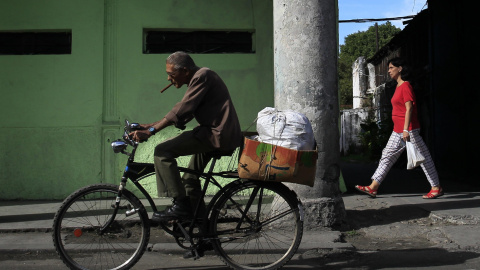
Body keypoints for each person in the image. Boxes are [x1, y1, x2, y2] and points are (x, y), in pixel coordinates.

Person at [130, 51, 243, 222]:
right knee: (190, 179)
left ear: (185, 71)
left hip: (216, 134)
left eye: (171, 74)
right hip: (214, 133)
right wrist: (150, 125)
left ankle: (180, 206)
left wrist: (151, 132)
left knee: (162, 151)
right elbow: (184, 113)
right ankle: (203, 234)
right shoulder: (198, 78)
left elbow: (183, 108)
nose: (168, 79)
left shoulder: (202, 76)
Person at [355, 57, 443, 199]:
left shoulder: (406, 86)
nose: (388, 70)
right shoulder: (398, 86)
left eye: (391, 67)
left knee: (424, 158)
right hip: (398, 130)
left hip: (409, 129)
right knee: (387, 156)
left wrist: (406, 129)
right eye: (389, 68)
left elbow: (409, 108)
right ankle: (373, 187)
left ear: (400, 68)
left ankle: (436, 187)